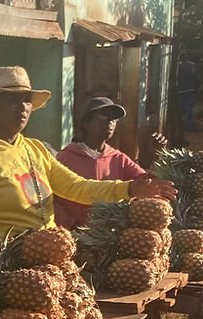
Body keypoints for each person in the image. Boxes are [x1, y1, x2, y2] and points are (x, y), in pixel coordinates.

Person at [0, 66, 175, 254]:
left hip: (49, 255)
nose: (22, 107)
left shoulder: (35, 149)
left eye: (27, 101)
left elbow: (76, 187)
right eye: (12, 101)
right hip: (8, 263)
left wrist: (130, 189)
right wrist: (0, 255)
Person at [53, 96, 148, 230]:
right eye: (103, 116)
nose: (110, 121)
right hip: (73, 236)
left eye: (113, 119)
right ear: (86, 124)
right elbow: (51, 198)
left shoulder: (118, 158)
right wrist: (69, 223)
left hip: (110, 235)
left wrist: (154, 152)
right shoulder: (66, 158)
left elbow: (145, 183)